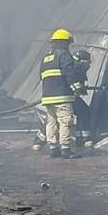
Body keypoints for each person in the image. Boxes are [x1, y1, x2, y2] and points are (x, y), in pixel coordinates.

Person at [39, 28, 77, 158]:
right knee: (65, 121)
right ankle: (65, 149)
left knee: (51, 122)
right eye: (67, 43)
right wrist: (76, 87)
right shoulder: (64, 55)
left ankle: (53, 148)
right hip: (62, 96)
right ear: (63, 43)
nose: (68, 46)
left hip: (48, 98)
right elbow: (69, 73)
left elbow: (41, 76)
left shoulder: (46, 58)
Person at [71, 50, 93, 147]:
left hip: (69, 96)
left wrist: (82, 88)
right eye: (88, 62)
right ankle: (85, 139)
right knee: (84, 111)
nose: (89, 65)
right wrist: (79, 88)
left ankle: (80, 138)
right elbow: (74, 83)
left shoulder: (73, 66)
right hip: (67, 97)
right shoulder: (77, 68)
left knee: (52, 116)